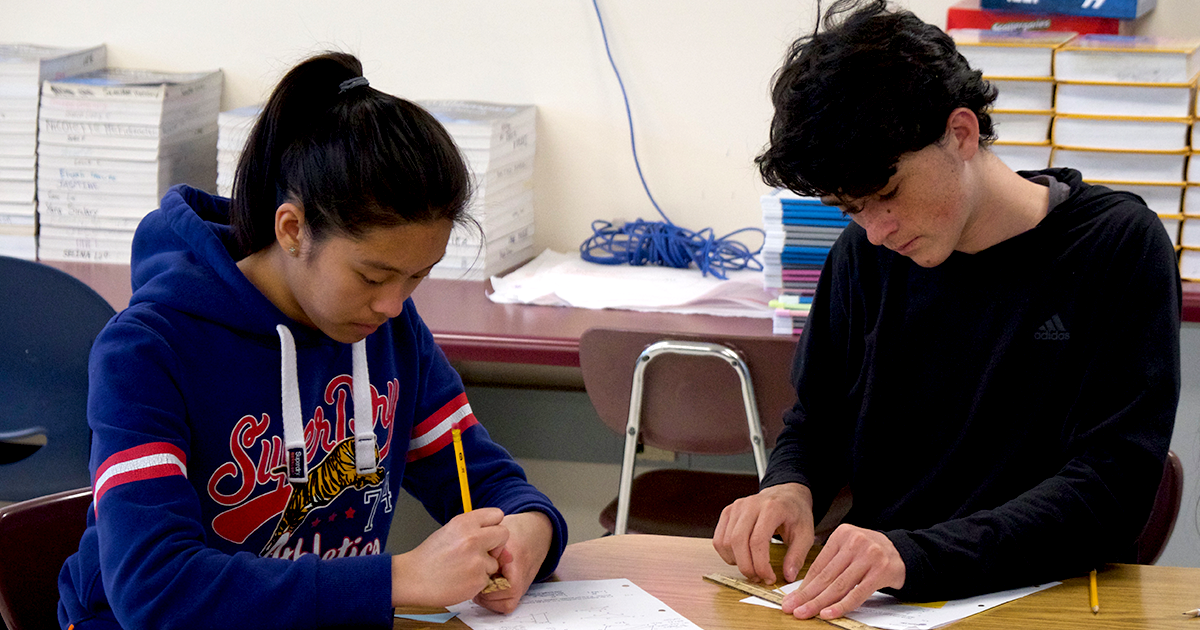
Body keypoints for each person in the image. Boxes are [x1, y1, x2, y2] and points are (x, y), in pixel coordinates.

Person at [58, 52, 567, 630]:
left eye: (418, 275)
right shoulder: (148, 350)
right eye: (373, 276)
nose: (394, 304)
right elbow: (156, 590)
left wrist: (532, 527)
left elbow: (484, 481)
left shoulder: (389, 329)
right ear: (293, 230)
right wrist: (399, 578)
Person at [712, 0, 1180, 622]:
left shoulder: (1116, 248)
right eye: (850, 209)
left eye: (886, 196)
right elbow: (819, 420)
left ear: (961, 133)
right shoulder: (864, 257)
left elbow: (1110, 489)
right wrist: (791, 486)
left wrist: (912, 556)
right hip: (881, 603)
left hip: (1053, 598)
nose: (876, 231)